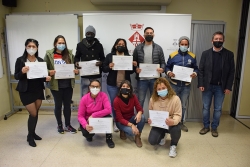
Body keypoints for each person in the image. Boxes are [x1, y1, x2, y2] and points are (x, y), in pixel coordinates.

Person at [14, 38, 51, 147]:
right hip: (26, 91)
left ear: (37, 48)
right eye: (29, 46)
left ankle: (33, 133)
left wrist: (47, 78)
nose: (31, 48)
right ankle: (30, 136)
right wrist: (22, 71)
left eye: (33, 46)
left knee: (35, 113)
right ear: (26, 47)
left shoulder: (40, 60)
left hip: (38, 90)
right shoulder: (20, 60)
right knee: (33, 113)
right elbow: (17, 76)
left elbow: (42, 77)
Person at [198, 31, 235, 137]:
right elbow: (201, 70)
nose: (218, 41)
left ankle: (214, 128)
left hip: (221, 87)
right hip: (207, 86)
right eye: (216, 39)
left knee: (218, 109)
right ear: (212, 41)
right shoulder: (205, 53)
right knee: (206, 107)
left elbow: (232, 72)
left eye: (220, 39)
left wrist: (228, 86)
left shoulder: (229, 54)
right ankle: (206, 126)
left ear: (223, 40)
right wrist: (201, 84)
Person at [44, 35, 79, 134]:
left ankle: (68, 125)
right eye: (59, 43)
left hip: (68, 84)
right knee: (58, 105)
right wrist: (49, 71)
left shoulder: (69, 54)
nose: (61, 44)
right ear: (55, 44)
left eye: (63, 43)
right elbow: (44, 68)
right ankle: (59, 124)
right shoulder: (49, 54)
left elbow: (74, 68)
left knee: (67, 105)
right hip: (56, 85)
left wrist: (76, 71)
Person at [103, 38, 137, 132]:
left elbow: (131, 72)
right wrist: (109, 66)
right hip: (112, 85)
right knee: (115, 104)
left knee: (124, 104)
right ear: (115, 45)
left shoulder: (128, 56)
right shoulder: (110, 56)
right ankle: (116, 122)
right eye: (119, 44)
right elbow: (104, 69)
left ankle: (124, 121)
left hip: (125, 85)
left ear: (125, 46)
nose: (121, 45)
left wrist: (133, 65)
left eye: (123, 44)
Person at [166, 36, 199, 132]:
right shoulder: (173, 55)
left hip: (186, 86)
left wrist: (195, 73)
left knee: (183, 105)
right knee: (172, 104)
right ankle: (171, 122)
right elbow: (167, 67)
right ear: (179, 44)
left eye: (186, 44)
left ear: (188, 45)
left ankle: (180, 123)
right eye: (182, 44)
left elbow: (196, 68)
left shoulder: (192, 56)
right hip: (174, 84)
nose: (184, 46)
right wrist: (169, 73)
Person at [148, 77, 182, 158]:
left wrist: (173, 122)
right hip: (159, 124)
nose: (161, 90)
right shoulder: (152, 99)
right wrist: (150, 120)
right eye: (159, 89)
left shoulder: (175, 99)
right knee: (152, 141)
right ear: (156, 90)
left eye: (163, 88)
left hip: (171, 123)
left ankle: (173, 145)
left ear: (168, 87)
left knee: (176, 128)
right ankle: (163, 135)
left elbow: (178, 115)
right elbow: (151, 113)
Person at [133, 27, 165, 108]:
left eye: (151, 33)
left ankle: (154, 119)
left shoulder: (158, 48)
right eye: (147, 33)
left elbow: (163, 62)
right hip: (142, 79)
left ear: (153, 34)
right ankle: (140, 119)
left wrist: (162, 69)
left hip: (154, 79)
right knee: (140, 100)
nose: (149, 35)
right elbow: (134, 62)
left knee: (154, 100)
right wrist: (136, 68)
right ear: (144, 35)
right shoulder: (138, 48)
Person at [78, 80, 115, 148]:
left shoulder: (103, 95)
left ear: (100, 87)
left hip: (100, 117)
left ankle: (109, 138)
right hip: (88, 120)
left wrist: (93, 115)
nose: (95, 88)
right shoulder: (84, 99)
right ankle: (90, 135)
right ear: (89, 87)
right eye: (93, 86)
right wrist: (85, 125)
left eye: (97, 87)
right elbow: (80, 116)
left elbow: (108, 110)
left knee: (110, 119)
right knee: (87, 133)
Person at [74, 25, 105, 97]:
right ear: (85, 34)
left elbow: (103, 58)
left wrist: (101, 63)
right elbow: (76, 57)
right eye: (88, 33)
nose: (89, 35)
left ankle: (97, 108)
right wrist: (76, 63)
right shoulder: (80, 45)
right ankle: (86, 108)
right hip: (85, 75)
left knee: (97, 95)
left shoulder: (99, 45)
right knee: (85, 95)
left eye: (91, 33)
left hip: (96, 75)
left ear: (94, 35)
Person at [114, 80, 145, 147]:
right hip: (120, 122)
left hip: (130, 118)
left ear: (130, 89)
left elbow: (140, 109)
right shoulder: (116, 100)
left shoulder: (133, 97)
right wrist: (132, 125)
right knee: (132, 132)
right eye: (123, 86)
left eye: (128, 87)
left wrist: (139, 113)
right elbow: (120, 118)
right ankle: (122, 130)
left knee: (142, 117)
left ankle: (138, 136)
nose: (125, 88)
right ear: (120, 88)